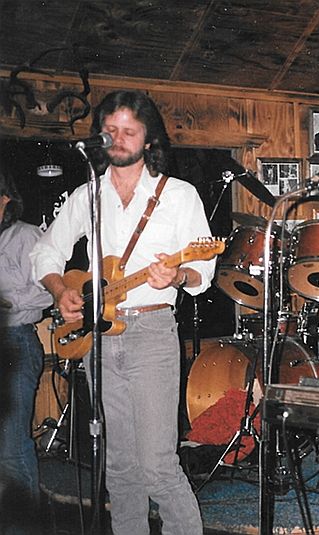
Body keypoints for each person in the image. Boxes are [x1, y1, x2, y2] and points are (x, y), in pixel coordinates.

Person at [30, 90, 216, 534]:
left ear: (149, 138)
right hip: (98, 336)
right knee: (118, 467)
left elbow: (203, 270)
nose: (118, 138)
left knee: (157, 466)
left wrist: (176, 276)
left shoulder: (179, 195)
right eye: (110, 130)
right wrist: (60, 290)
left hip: (151, 332)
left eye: (129, 131)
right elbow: (45, 252)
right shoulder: (88, 195)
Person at [0, 168, 53, 534]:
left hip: (15, 344)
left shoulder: (26, 236)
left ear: (6, 199)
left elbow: (47, 292)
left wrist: (7, 301)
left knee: (11, 447)